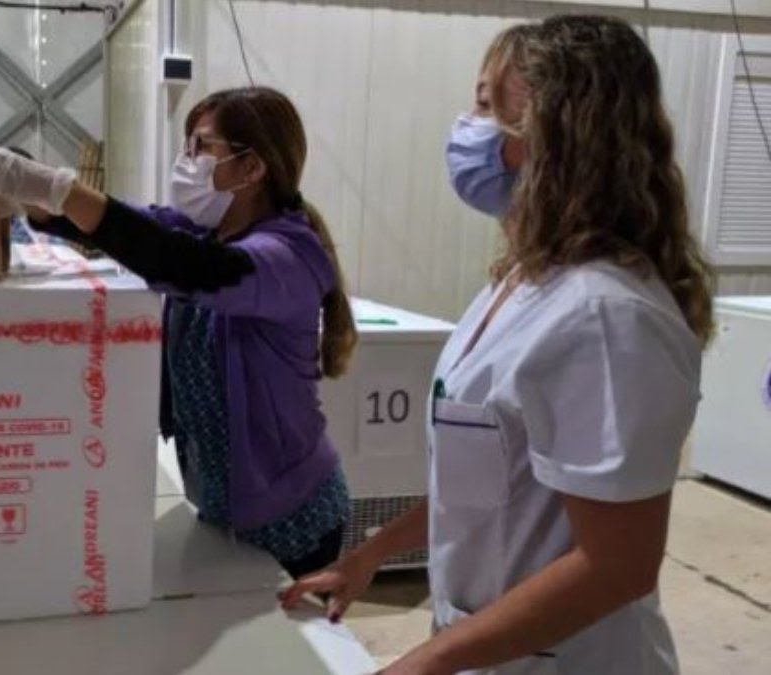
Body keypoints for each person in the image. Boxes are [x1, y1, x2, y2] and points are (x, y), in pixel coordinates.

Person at [281, 15, 713, 674]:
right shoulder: (520, 282)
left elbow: (617, 564)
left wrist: (423, 662)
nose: (467, 128)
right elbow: (483, 488)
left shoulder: (604, 316)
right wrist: (370, 554)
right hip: (493, 651)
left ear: (552, 130)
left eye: (486, 106)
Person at [0, 87, 359, 578]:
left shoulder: (286, 257)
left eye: (202, 147)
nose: (187, 160)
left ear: (251, 167)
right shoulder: (207, 232)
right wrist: (36, 199)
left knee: (292, 629)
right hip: (223, 503)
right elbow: (131, 225)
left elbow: (179, 263)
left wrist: (54, 187)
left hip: (293, 517)